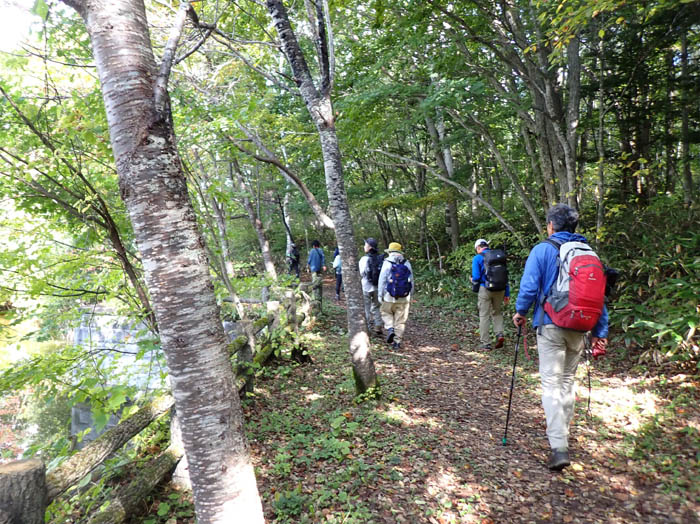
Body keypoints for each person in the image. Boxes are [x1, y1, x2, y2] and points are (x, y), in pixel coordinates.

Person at [512, 203, 609, 471]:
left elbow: (529, 285)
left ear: (551, 226)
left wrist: (520, 312)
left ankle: (559, 446)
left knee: (552, 384)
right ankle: (562, 434)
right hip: (580, 329)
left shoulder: (543, 249)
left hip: (550, 324)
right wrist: (600, 331)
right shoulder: (590, 253)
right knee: (567, 381)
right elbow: (600, 297)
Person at [471, 239, 510, 350]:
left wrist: (472, 280)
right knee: (497, 313)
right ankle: (499, 334)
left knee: (484, 315)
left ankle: (486, 343)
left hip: (485, 289)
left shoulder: (477, 258)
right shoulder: (499, 256)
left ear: (478, 248)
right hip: (501, 289)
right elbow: (505, 276)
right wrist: (507, 293)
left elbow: (476, 277)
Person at [377, 242, 414, 350]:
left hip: (389, 296)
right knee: (400, 319)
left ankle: (390, 328)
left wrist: (380, 294)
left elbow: (382, 279)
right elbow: (411, 280)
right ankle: (397, 342)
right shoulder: (406, 263)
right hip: (404, 297)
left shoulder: (387, 262)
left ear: (390, 252)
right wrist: (410, 294)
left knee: (385, 312)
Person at [358, 238, 384, 335]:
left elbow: (361, 273)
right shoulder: (381, 258)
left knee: (366, 308)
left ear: (369, 247)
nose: (364, 247)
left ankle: (368, 328)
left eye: (365, 245)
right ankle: (378, 326)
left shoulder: (364, 259)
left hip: (366, 286)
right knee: (377, 307)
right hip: (378, 287)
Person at [307, 240, 326, 308]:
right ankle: (319, 296)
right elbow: (323, 258)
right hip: (319, 268)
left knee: (314, 282)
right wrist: (323, 265)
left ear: (313, 245)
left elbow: (309, 260)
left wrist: (308, 266)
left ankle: (314, 297)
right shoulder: (321, 250)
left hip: (313, 268)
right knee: (319, 281)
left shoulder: (312, 251)